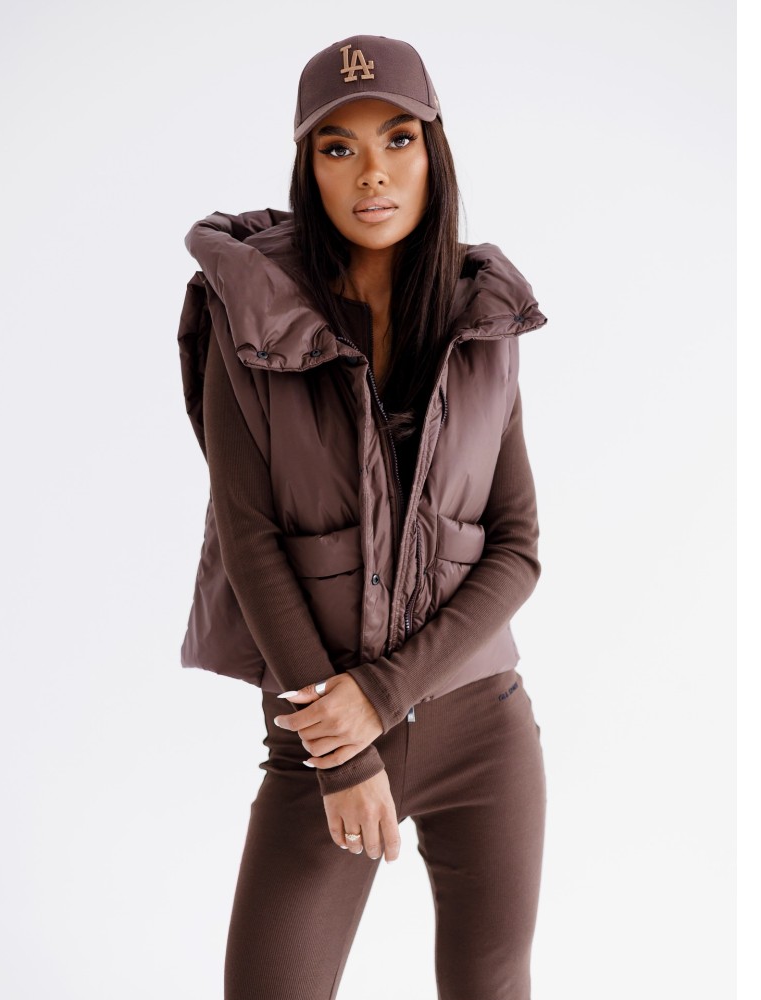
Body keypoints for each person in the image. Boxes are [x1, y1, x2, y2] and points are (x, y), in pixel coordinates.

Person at [177, 33, 549, 1000]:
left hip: (483, 728)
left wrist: (383, 694)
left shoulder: (484, 318)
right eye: (337, 148)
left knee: (495, 984)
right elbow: (249, 539)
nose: (372, 173)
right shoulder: (249, 316)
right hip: (321, 737)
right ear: (308, 169)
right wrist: (343, 753)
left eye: (398, 139)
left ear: (434, 152)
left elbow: (517, 548)